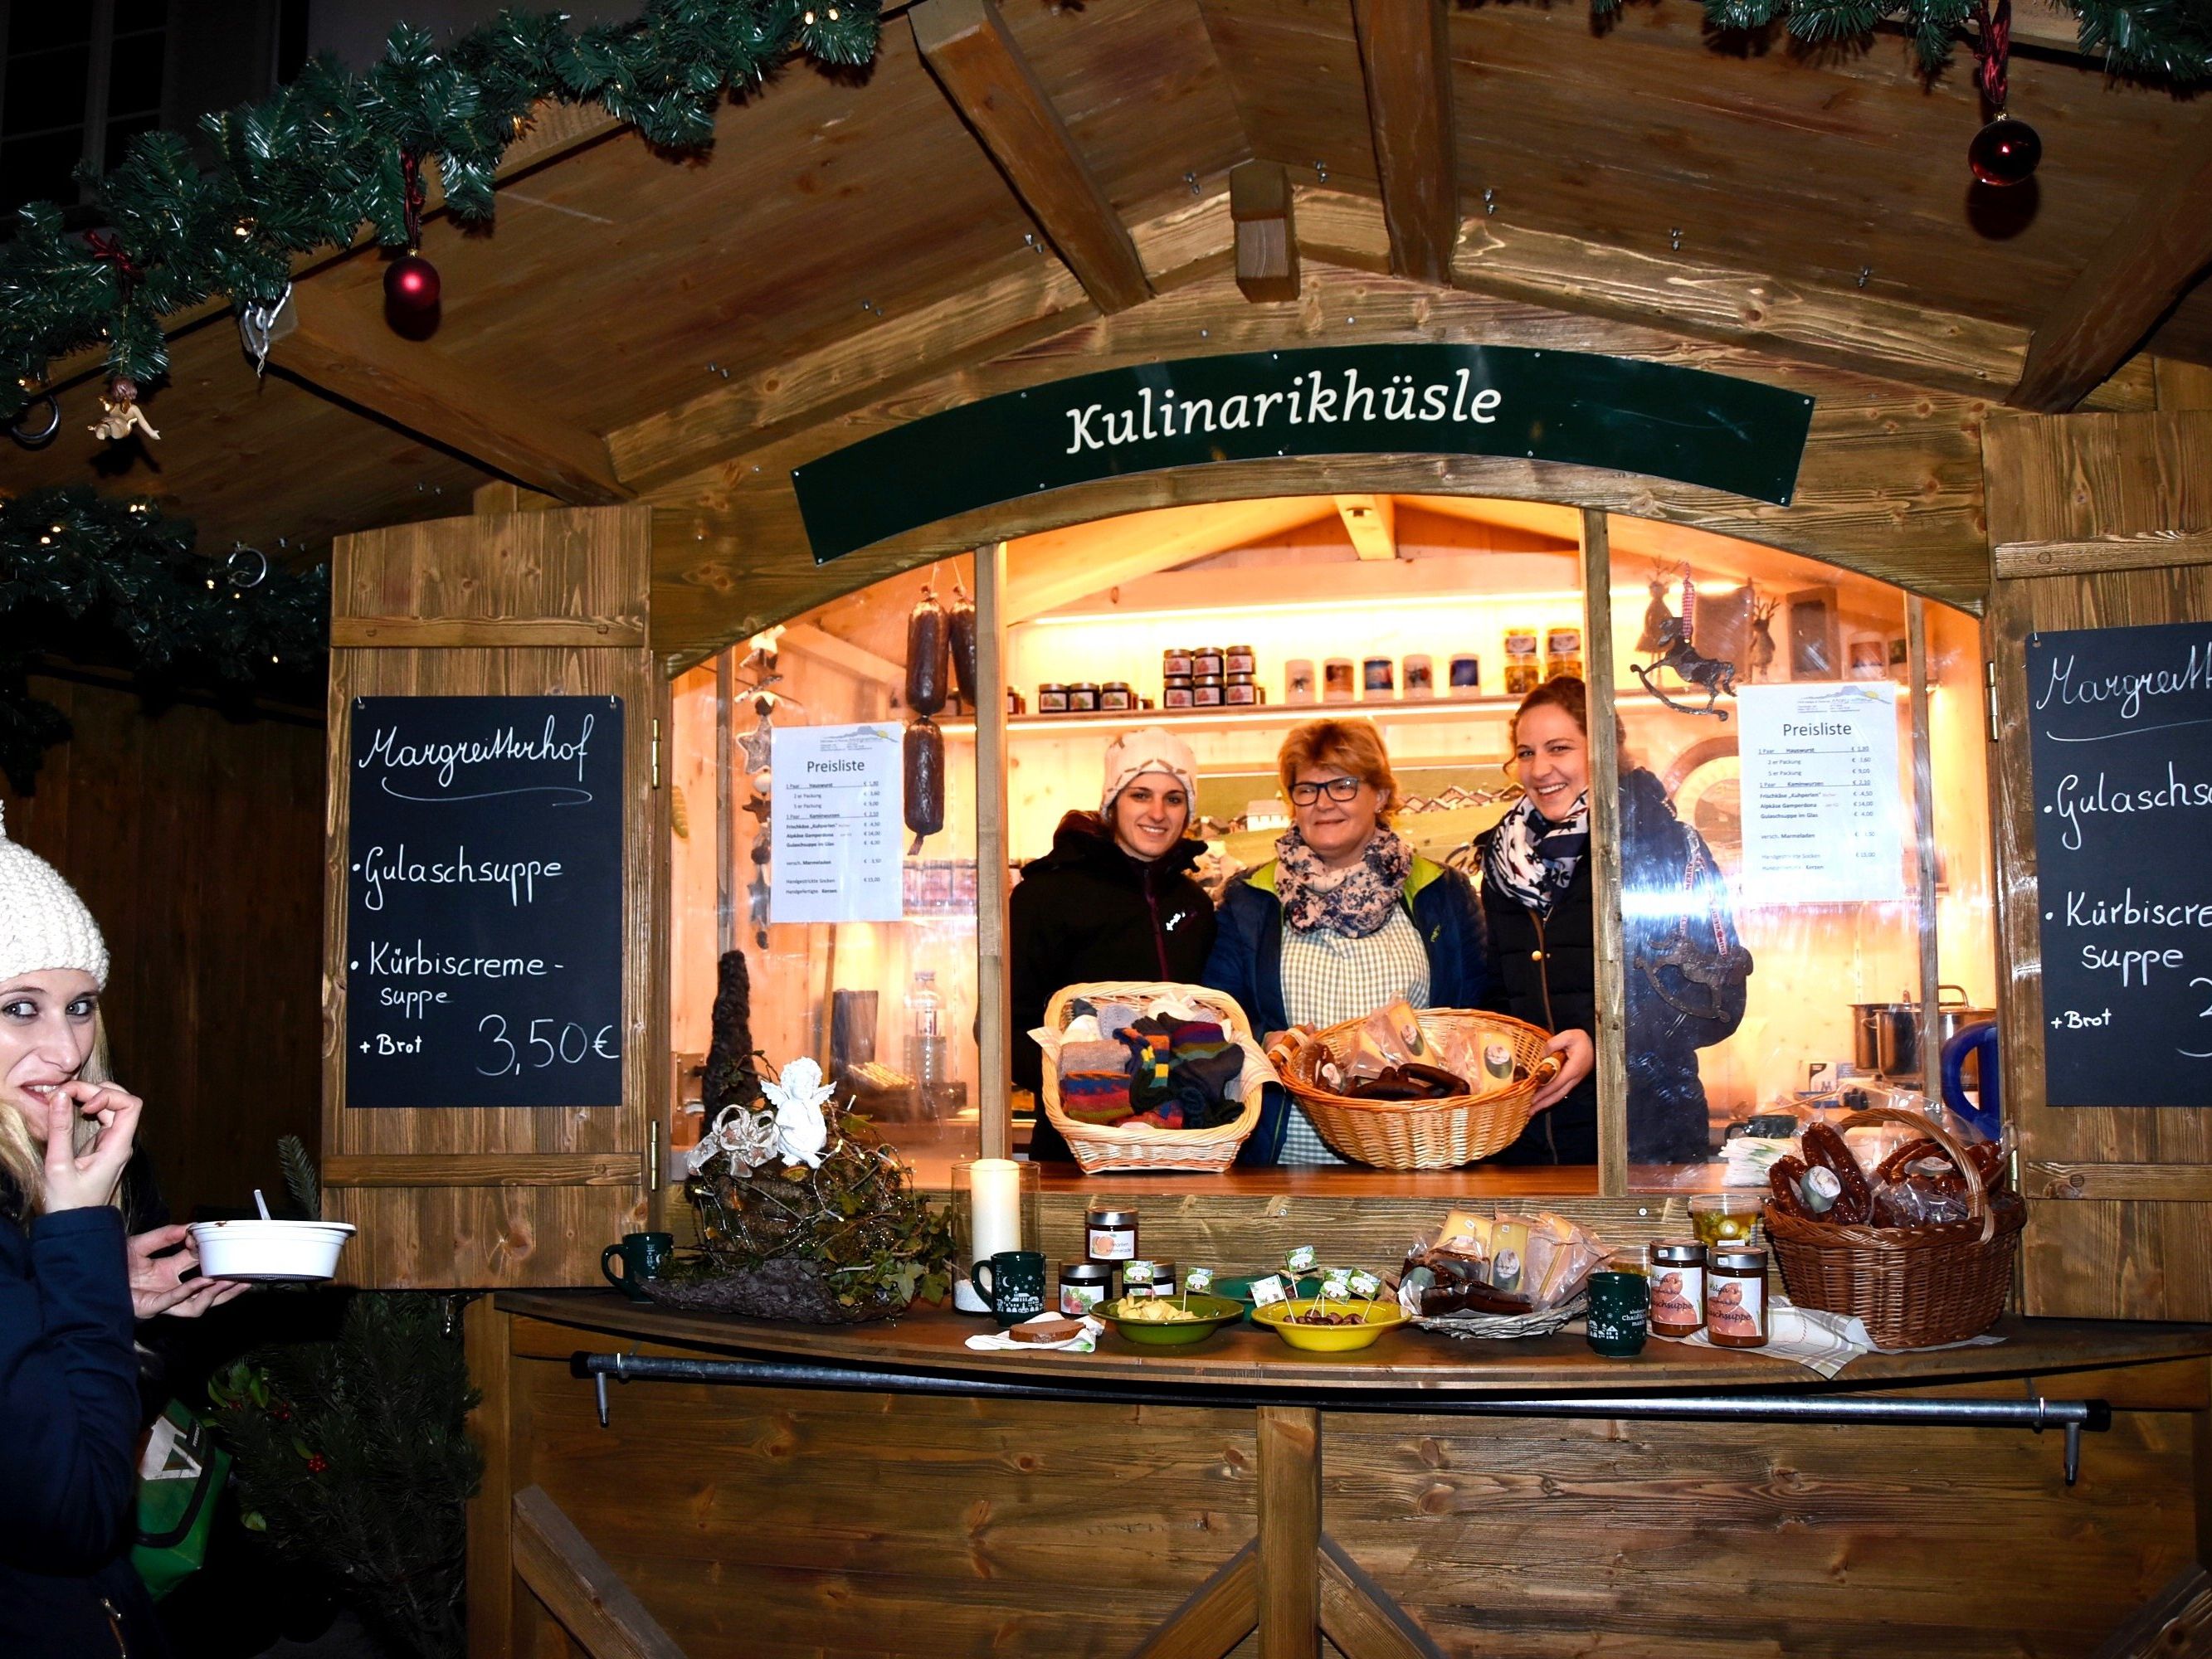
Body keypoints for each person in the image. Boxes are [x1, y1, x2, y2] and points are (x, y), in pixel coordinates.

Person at [0, 811, 245, 1657]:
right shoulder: (62, 1196)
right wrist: (76, 1240)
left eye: (79, 1006)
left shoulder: (42, 1170)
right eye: (18, 1006)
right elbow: (76, 1509)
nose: (65, 1047)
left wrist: (113, 1300)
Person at [1207, 718, 1544, 1165]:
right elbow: (1219, 1021)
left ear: (1380, 794)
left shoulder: (1439, 891)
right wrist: (1260, 1043)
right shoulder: (1250, 898)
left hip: (1418, 1149)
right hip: (1289, 1156)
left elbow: (1480, 1014)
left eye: (1343, 785)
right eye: (1307, 788)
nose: (1323, 803)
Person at [1479, 677, 1750, 1165]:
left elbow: (1717, 998)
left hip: (1644, 1136)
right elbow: (1496, 990)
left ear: (1605, 747)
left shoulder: (1664, 845)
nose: (1540, 769)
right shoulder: (1504, 862)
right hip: (1531, 1143)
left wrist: (1603, 1041)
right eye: (1525, 752)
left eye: (1559, 748)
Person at [1009, 727, 1218, 1163]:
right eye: (1140, 794)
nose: (1157, 813)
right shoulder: (1046, 895)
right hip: (1078, 1141)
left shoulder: (1194, 904)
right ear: (1113, 802)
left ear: (1188, 812)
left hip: (1181, 1140)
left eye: (1174, 798)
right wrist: (1082, 1086)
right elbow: (1004, 1027)